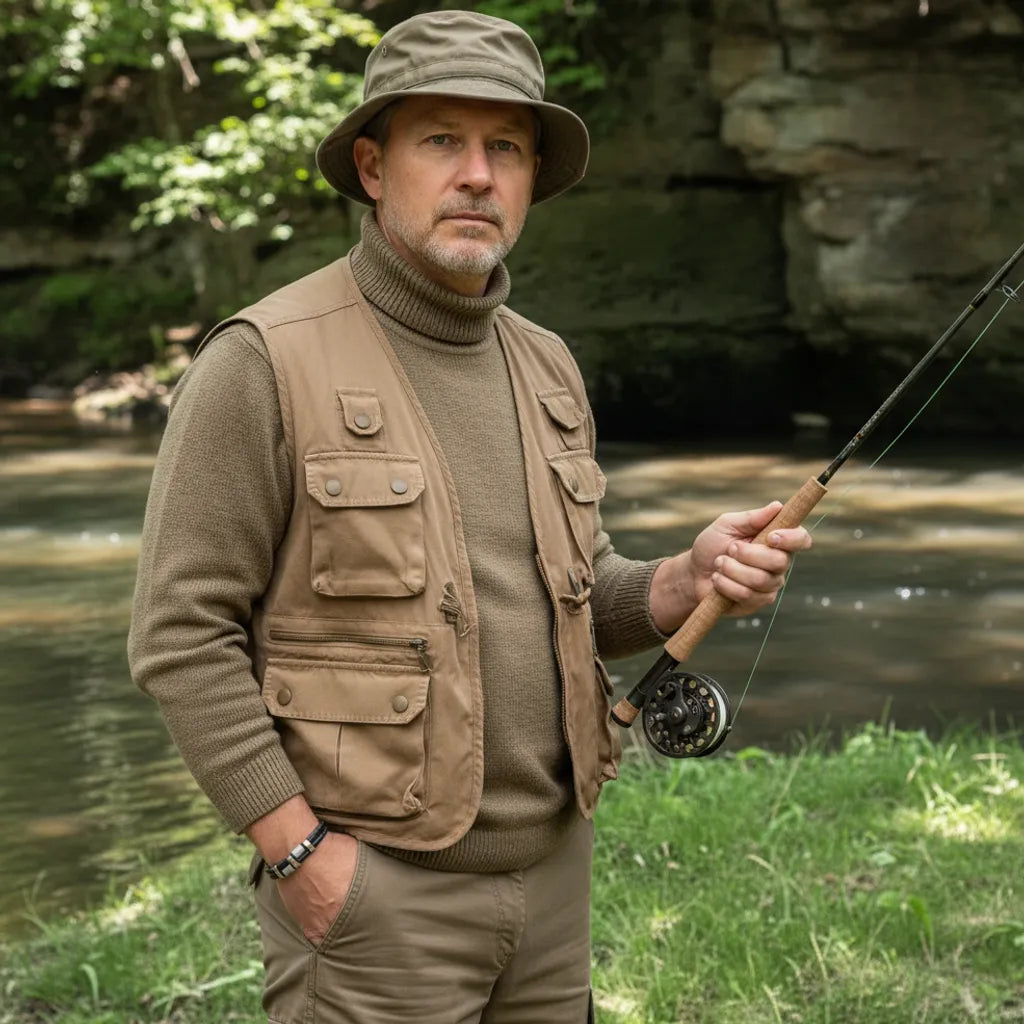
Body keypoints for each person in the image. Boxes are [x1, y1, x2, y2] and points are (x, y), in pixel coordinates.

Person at [128, 9, 811, 1023]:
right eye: (442, 139)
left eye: (507, 148)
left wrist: (684, 579)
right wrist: (299, 852)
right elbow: (181, 633)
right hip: (374, 903)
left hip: (555, 883)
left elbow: (577, 593)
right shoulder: (260, 361)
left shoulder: (547, 365)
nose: (479, 175)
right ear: (373, 167)